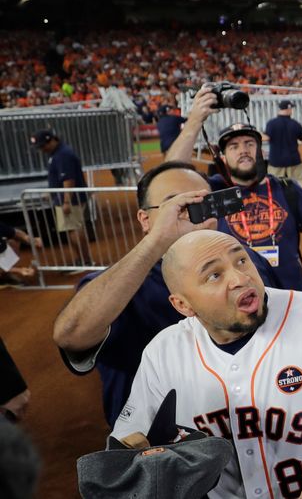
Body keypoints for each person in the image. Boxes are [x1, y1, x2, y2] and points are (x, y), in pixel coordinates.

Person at [111, 230, 302, 499]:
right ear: (183, 304)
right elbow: (130, 436)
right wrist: (129, 451)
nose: (241, 278)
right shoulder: (164, 353)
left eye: (241, 261)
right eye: (214, 275)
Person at [52, 161, 282, 426]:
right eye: (177, 205)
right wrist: (157, 240)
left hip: (258, 425)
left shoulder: (247, 260)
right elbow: (71, 335)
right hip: (166, 447)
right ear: (145, 219)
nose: (191, 212)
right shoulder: (122, 286)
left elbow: (284, 321)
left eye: (202, 202)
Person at [166, 97, 302, 290]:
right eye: (234, 146)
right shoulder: (210, 191)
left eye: (249, 143)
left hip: (291, 299)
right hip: (238, 301)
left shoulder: (288, 188)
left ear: (261, 151)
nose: (243, 150)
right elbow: (171, 174)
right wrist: (195, 120)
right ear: (223, 158)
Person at [31, 129, 92, 267]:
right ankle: (82, 259)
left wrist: (66, 201)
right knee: (71, 228)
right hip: (67, 198)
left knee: (74, 228)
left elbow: (68, 179)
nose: (42, 149)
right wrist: (52, 193)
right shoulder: (58, 153)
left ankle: (85, 260)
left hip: (71, 199)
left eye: (43, 146)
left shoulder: (63, 154)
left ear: (51, 140)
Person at [264, 99, 302, 188]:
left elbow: (266, 138)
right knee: (301, 183)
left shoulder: (271, 123)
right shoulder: (295, 124)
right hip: (294, 160)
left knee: (273, 186)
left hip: (276, 161)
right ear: (289, 109)